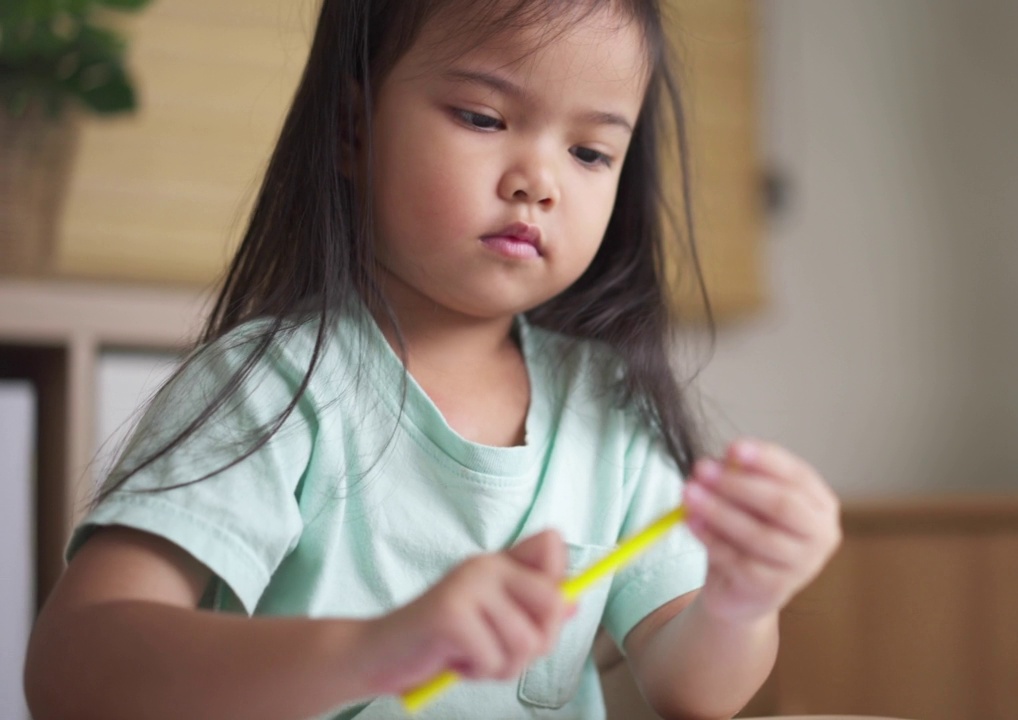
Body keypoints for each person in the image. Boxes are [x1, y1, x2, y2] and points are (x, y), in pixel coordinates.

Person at [24, 0, 841, 718]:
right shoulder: (274, 387)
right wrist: (380, 648)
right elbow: (73, 668)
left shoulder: (607, 402)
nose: (539, 181)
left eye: (591, 153)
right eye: (484, 118)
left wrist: (742, 598)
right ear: (353, 130)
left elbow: (693, 690)